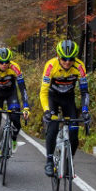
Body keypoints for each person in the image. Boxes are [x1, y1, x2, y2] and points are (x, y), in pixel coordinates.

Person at [40, 40, 91, 177]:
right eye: (64, 59)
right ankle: (49, 161)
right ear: (58, 56)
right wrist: (46, 111)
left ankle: (69, 160)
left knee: (74, 133)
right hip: (53, 98)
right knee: (52, 127)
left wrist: (85, 110)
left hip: (68, 99)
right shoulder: (51, 66)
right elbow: (43, 92)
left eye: (71, 59)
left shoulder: (79, 66)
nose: (67, 62)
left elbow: (84, 92)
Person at [0, 48, 30, 165]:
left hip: (11, 93)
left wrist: (26, 106)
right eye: (1, 62)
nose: (5, 64)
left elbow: (22, 88)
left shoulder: (15, 68)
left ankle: (14, 138)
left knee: (15, 118)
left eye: (7, 62)